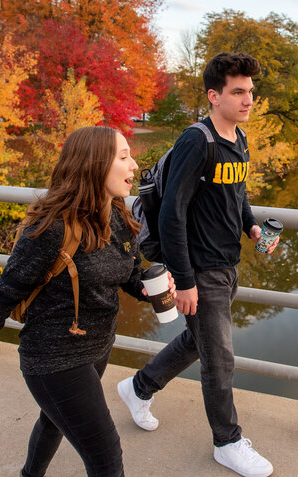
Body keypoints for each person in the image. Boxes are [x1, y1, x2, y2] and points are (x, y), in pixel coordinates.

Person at [0, 126, 175, 477]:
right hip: (53, 359)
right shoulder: (50, 228)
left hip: (97, 347)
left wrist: (153, 288)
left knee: (54, 422)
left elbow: (129, 276)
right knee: (106, 457)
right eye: (123, 157)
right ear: (93, 165)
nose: (134, 165)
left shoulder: (120, 216)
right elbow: (0, 300)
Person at [116, 52, 278, 477]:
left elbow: (237, 192)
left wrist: (253, 228)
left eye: (251, 93)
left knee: (198, 341)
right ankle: (227, 442)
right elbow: (172, 213)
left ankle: (138, 388)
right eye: (238, 92)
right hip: (199, 268)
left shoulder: (238, 139)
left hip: (227, 262)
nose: (248, 101)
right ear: (214, 95)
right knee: (219, 358)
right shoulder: (197, 141)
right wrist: (184, 281)